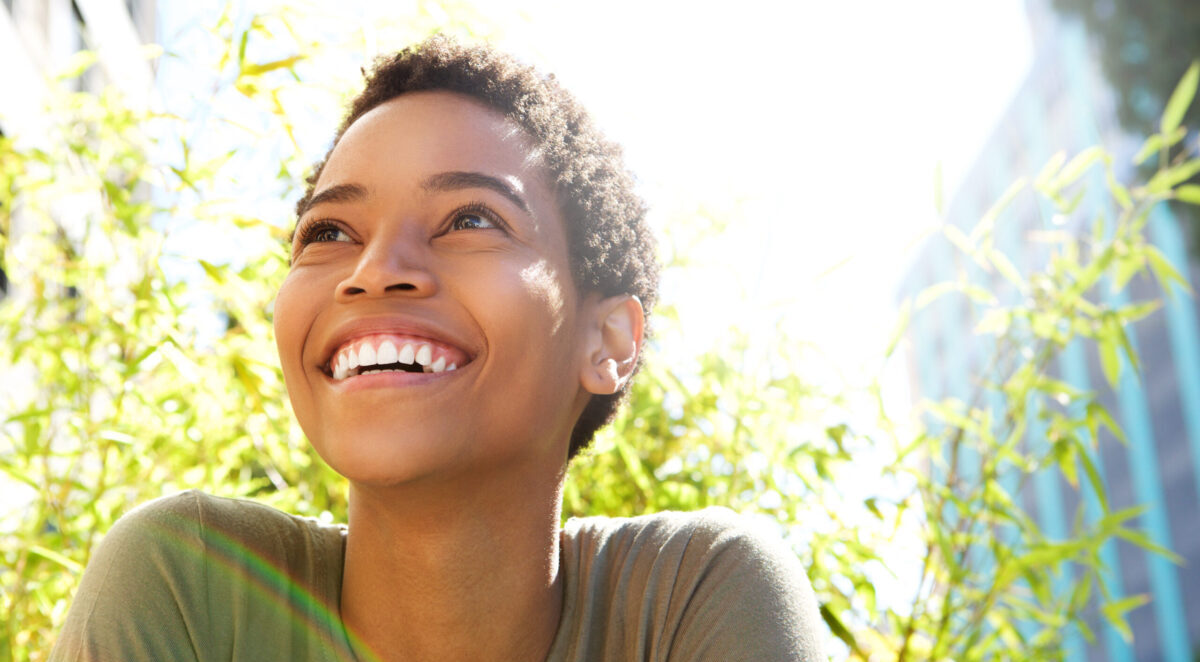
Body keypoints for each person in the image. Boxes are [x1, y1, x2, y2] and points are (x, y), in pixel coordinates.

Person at [49, 36, 825, 661]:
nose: (374, 270)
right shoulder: (188, 585)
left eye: (471, 219)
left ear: (608, 340)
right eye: (330, 232)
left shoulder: (693, 599)